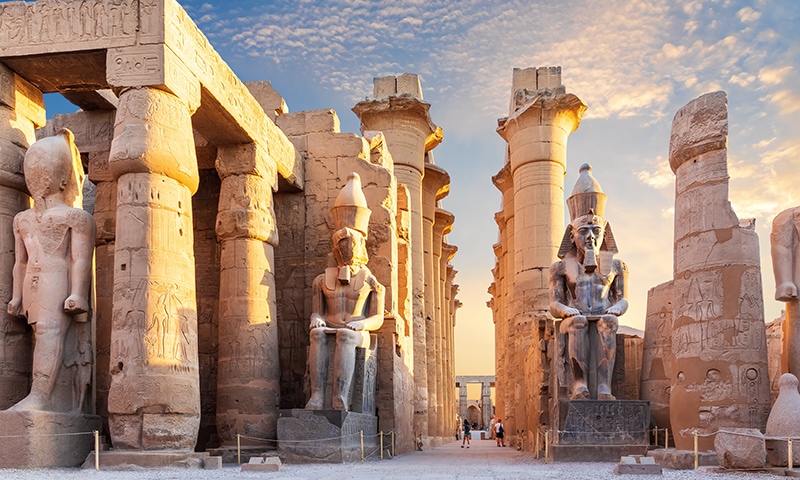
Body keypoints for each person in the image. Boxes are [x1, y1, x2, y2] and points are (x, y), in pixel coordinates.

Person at [6, 129, 95, 412]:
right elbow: (19, 262)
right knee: (38, 335)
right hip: (32, 281)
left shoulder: (76, 218)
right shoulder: (21, 219)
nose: (35, 180)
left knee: (49, 332)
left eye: (42, 173)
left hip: (57, 278)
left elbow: (79, 260)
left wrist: (79, 294)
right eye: (31, 174)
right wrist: (16, 296)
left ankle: (40, 396)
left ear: (62, 179)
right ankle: (46, 397)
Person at [305, 173, 385, 411]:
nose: (346, 248)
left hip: (356, 330)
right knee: (317, 335)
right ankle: (317, 395)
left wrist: (362, 324)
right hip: (330, 326)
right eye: (341, 244)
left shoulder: (371, 281)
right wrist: (317, 319)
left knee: (345, 336)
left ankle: (340, 395)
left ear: (360, 246)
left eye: (350, 244)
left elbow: (378, 317)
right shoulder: (321, 280)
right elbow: (316, 313)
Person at [550, 164, 628, 400]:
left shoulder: (616, 265)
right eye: (584, 231)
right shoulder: (562, 267)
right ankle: (579, 384)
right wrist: (566, 310)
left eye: (596, 231)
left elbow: (623, 298)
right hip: (574, 318)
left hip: (601, 314)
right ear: (572, 235)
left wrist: (617, 308)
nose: (591, 237)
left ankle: (604, 387)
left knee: (608, 322)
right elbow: (554, 304)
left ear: (605, 232)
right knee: (579, 322)